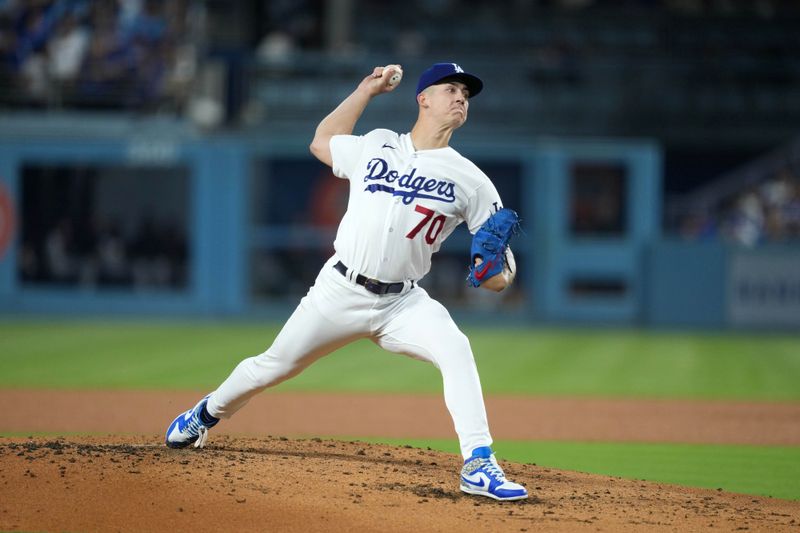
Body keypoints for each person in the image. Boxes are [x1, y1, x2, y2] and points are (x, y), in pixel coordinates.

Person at [165, 62, 528, 502]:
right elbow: (321, 142)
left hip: (403, 304)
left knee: (456, 348)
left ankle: (478, 462)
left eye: (466, 95)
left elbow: (500, 275)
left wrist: (495, 274)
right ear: (423, 98)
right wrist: (364, 92)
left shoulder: (472, 181)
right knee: (272, 366)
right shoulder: (377, 144)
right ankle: (205, 413)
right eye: (450, 89)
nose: (460, 98)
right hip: (339, 290)